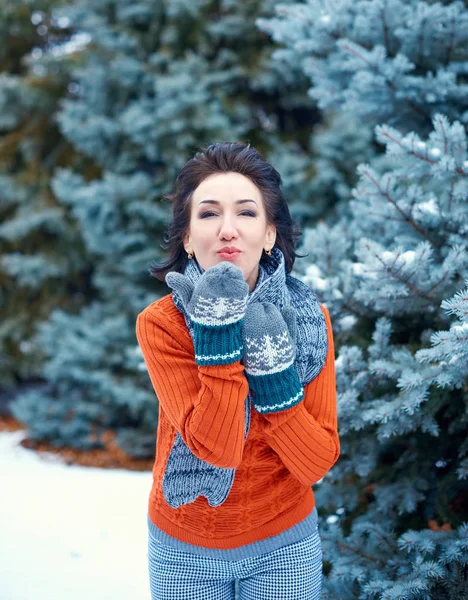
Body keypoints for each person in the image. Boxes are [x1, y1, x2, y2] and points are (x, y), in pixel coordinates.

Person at [135, 141, 340, 600]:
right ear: (187, 238)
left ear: (269, 234)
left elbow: (315, 463)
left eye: (246, 213)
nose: (228, 229)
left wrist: (272, 378)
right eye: (208, 214)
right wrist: (218, 337)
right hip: (183, 550)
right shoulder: (162, 325)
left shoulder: (309, 320)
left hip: (284, 545)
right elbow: (217, 448)